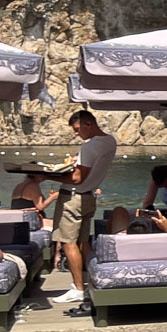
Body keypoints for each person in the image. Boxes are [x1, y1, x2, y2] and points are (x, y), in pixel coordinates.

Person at [42, 109, 117, 306]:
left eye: (77, 129)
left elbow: (76, 178)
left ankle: (77, 288)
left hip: (73, 198)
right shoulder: (110, 142)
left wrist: (46, 175)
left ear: (88, 124)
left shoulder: (89, 147)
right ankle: (90, 280)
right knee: (83, 241)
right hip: (88, 197)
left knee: (68, 242)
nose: (76, 133)